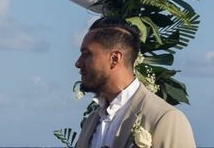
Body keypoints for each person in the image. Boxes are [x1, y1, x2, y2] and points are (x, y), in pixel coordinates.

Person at [74, 17, 196, 148]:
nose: (78, 63)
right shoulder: (92, 121)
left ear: (115, 58)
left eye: (87, 54)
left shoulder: (165, 118)